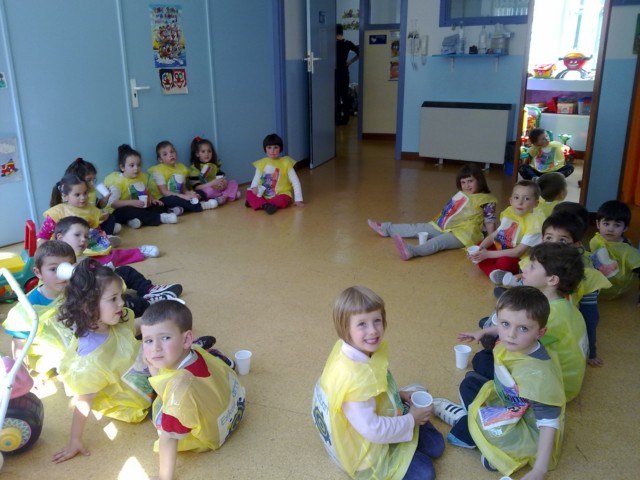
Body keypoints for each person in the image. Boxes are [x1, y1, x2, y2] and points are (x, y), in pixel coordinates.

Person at [312, 286, 444, 479]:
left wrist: (398, 395)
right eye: (362, 324)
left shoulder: (354, 348)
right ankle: (406, 430)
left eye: (377, 320)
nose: (373, 331)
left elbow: (375, 385)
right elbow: (372, 429)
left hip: (376, 420)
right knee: (425, 473)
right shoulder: (354, 378)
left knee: (437, 446)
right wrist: (412, 420)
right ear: (345, 329)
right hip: (366, 450)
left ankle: (406, 422)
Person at [433, 287, 566, 479]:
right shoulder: (520, 340)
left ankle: (467, 424)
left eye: (523, 328)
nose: (510, 335)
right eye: (505, 324)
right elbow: (509, 326)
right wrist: (483, 332)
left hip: (525, 428)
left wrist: (539, 469)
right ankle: (477, 431)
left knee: (463, 430)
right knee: (469, 383)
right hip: (510, 402)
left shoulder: (540, 377)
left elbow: (549, 423)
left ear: (540, 332)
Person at [52, 258, 154, 464]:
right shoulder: (90, 361)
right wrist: (75, 440)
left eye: (120, 296)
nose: (122, 303)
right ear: (87, 306)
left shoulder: (114, 320)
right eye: (113, 299)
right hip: (132, 403)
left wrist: (164, 324)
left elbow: (132, 328)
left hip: (145, 373)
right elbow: (83, 403)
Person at [461, 243, 587, 402]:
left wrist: (495, 338)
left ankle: (491, 384)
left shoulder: (551, 315)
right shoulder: (565, 306)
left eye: (532, 267)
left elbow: (521, 346)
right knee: (493, 336)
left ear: (552, 279)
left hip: (551, 389)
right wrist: (485, 331)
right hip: (564, 380)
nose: (525, 268)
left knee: (482, 359)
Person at [140, 300, 245, 480]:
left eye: (165, 338)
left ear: (186, 339)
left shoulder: (179, 390)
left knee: (154, 413)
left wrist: (164, 477)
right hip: (231, 409)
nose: (155, 348)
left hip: (210, 437)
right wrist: (154, 363)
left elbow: (169, 438)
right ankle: (217, 354)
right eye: (148, 341)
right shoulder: (194, 351)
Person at [54, 216, 182, 316]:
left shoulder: (83, 256)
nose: (83, 239)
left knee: (126, 271)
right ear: (60, 237)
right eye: (77, 235)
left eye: (86, 236)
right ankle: (150, 302)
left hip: (102, 286)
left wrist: (104, 271)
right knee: (123, 302)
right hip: (92, 298)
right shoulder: (55, 261)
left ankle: (150, 289)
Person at [369, 164, 497, 261]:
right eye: (463, 182)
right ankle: (386, 228)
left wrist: (491, 243)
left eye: (470, 181)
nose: (466, 185)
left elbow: (490, 222)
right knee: (419, 228)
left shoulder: (487, 200)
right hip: (446, 226)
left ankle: (412, 251)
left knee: (438, 242)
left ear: (479, 180)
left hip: (465, 234)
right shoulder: (462, 194)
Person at [1, 241, 76, 378]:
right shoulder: (30, 305)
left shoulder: (74, 290)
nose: (62, 274)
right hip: (46, 353)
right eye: (54, 269)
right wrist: (21, 370)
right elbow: (19, 340)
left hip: (71, 339)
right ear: (38, 272)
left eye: (67, 267)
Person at [468, 180, 544, 283]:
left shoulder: (535, 223)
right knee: (480, 245)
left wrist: (487, 255)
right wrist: (479, 250)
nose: (520, 202)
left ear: (536, 203)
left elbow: (518, 252)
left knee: (504, 262)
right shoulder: (510, 213)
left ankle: (493, 270)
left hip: (520, 258)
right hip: (505, 248)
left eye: (526, 199)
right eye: (516, 197)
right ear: (511, 200)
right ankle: (495, 272)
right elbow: (494, 235)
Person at [38, 173, 116, 256]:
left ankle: (106, 241)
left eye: (85, 193)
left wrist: (101, 221)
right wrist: (43, 255)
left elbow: (95, 228)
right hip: (63, 251)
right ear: (65, 196)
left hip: (85, 247)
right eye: (77, 195)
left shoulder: (91, 209)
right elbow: (43, 236)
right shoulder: (57, 212)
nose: (83, 197)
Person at [103, 144, 178, 229]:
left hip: (137, 207)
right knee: (128, 210)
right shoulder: (117, 181)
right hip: (118, 211)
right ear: (122, 167)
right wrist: (131, 203)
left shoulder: (141, 177)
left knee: (159, 206)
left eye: (138, 165)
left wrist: (152, 199)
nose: (136, 168)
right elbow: (113, 203)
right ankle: (160, 218)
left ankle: (134, 221)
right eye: (132, 165)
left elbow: (146, 191)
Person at [589, 200, 640, 301]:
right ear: (598, 224)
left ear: (625, 228)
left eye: (617, 225)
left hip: (616, 288)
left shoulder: (627, 251)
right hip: (600, 280)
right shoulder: (596, 240)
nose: (610, 229)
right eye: (606, 224)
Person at [148, 140, 218, 214]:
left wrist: (189, 193)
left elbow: (184, 189)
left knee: (200, 193)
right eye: (165, 154)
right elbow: (165, 192)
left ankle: (176, 209)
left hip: (179, 195)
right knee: (173, 200)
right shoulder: (158, 171)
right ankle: (200, 205)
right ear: (160, 159)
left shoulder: (181, 168)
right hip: (164, 197)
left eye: (172, 152)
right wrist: (184, 196)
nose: (170, 155)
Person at [245, 133, 304, 215]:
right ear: (265, 149)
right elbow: (256, 177)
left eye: (275, 147)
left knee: (283, 200)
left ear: (280, 149)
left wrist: (298, 199)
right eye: (269, 148)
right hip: (264, 194)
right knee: (249, 193)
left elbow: (295, 181)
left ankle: (258, 203)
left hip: (281, 194)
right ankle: (265, 205)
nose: (272, 151)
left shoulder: (286, 163)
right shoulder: (262, 163)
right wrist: (254, 187)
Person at [64, 157, 120, 235]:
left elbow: (97, 206)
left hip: (92, 222)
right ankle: (103, 235)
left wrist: (105, 199)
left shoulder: (92, 191)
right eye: (88, 180)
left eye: (93, 179)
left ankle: (105, 235)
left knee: (110, 217)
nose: (92, 183)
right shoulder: (71, 196)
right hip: (78, 225)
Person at [189, 136, 239, 204]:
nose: (206, 154)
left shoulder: (214, 166)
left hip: (218, 188)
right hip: (207, 189)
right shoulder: (194, 168)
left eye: (209, 151)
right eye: (203, 151)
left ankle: (224, 196)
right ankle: (230, 195)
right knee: (208, 191)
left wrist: (223, 182)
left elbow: (222, 177)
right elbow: (196, 187)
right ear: (197, 154)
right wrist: (211, 184)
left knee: (233, 182)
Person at [336, 24, 359, 125]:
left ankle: (337, 118)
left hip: (335, 73)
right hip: (344, 73)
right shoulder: (348, 43)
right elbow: (360, 52)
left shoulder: (332, 44)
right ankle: (345, 119)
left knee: (336, 97)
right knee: (344, 96)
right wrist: (350, 61)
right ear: (342, 33)